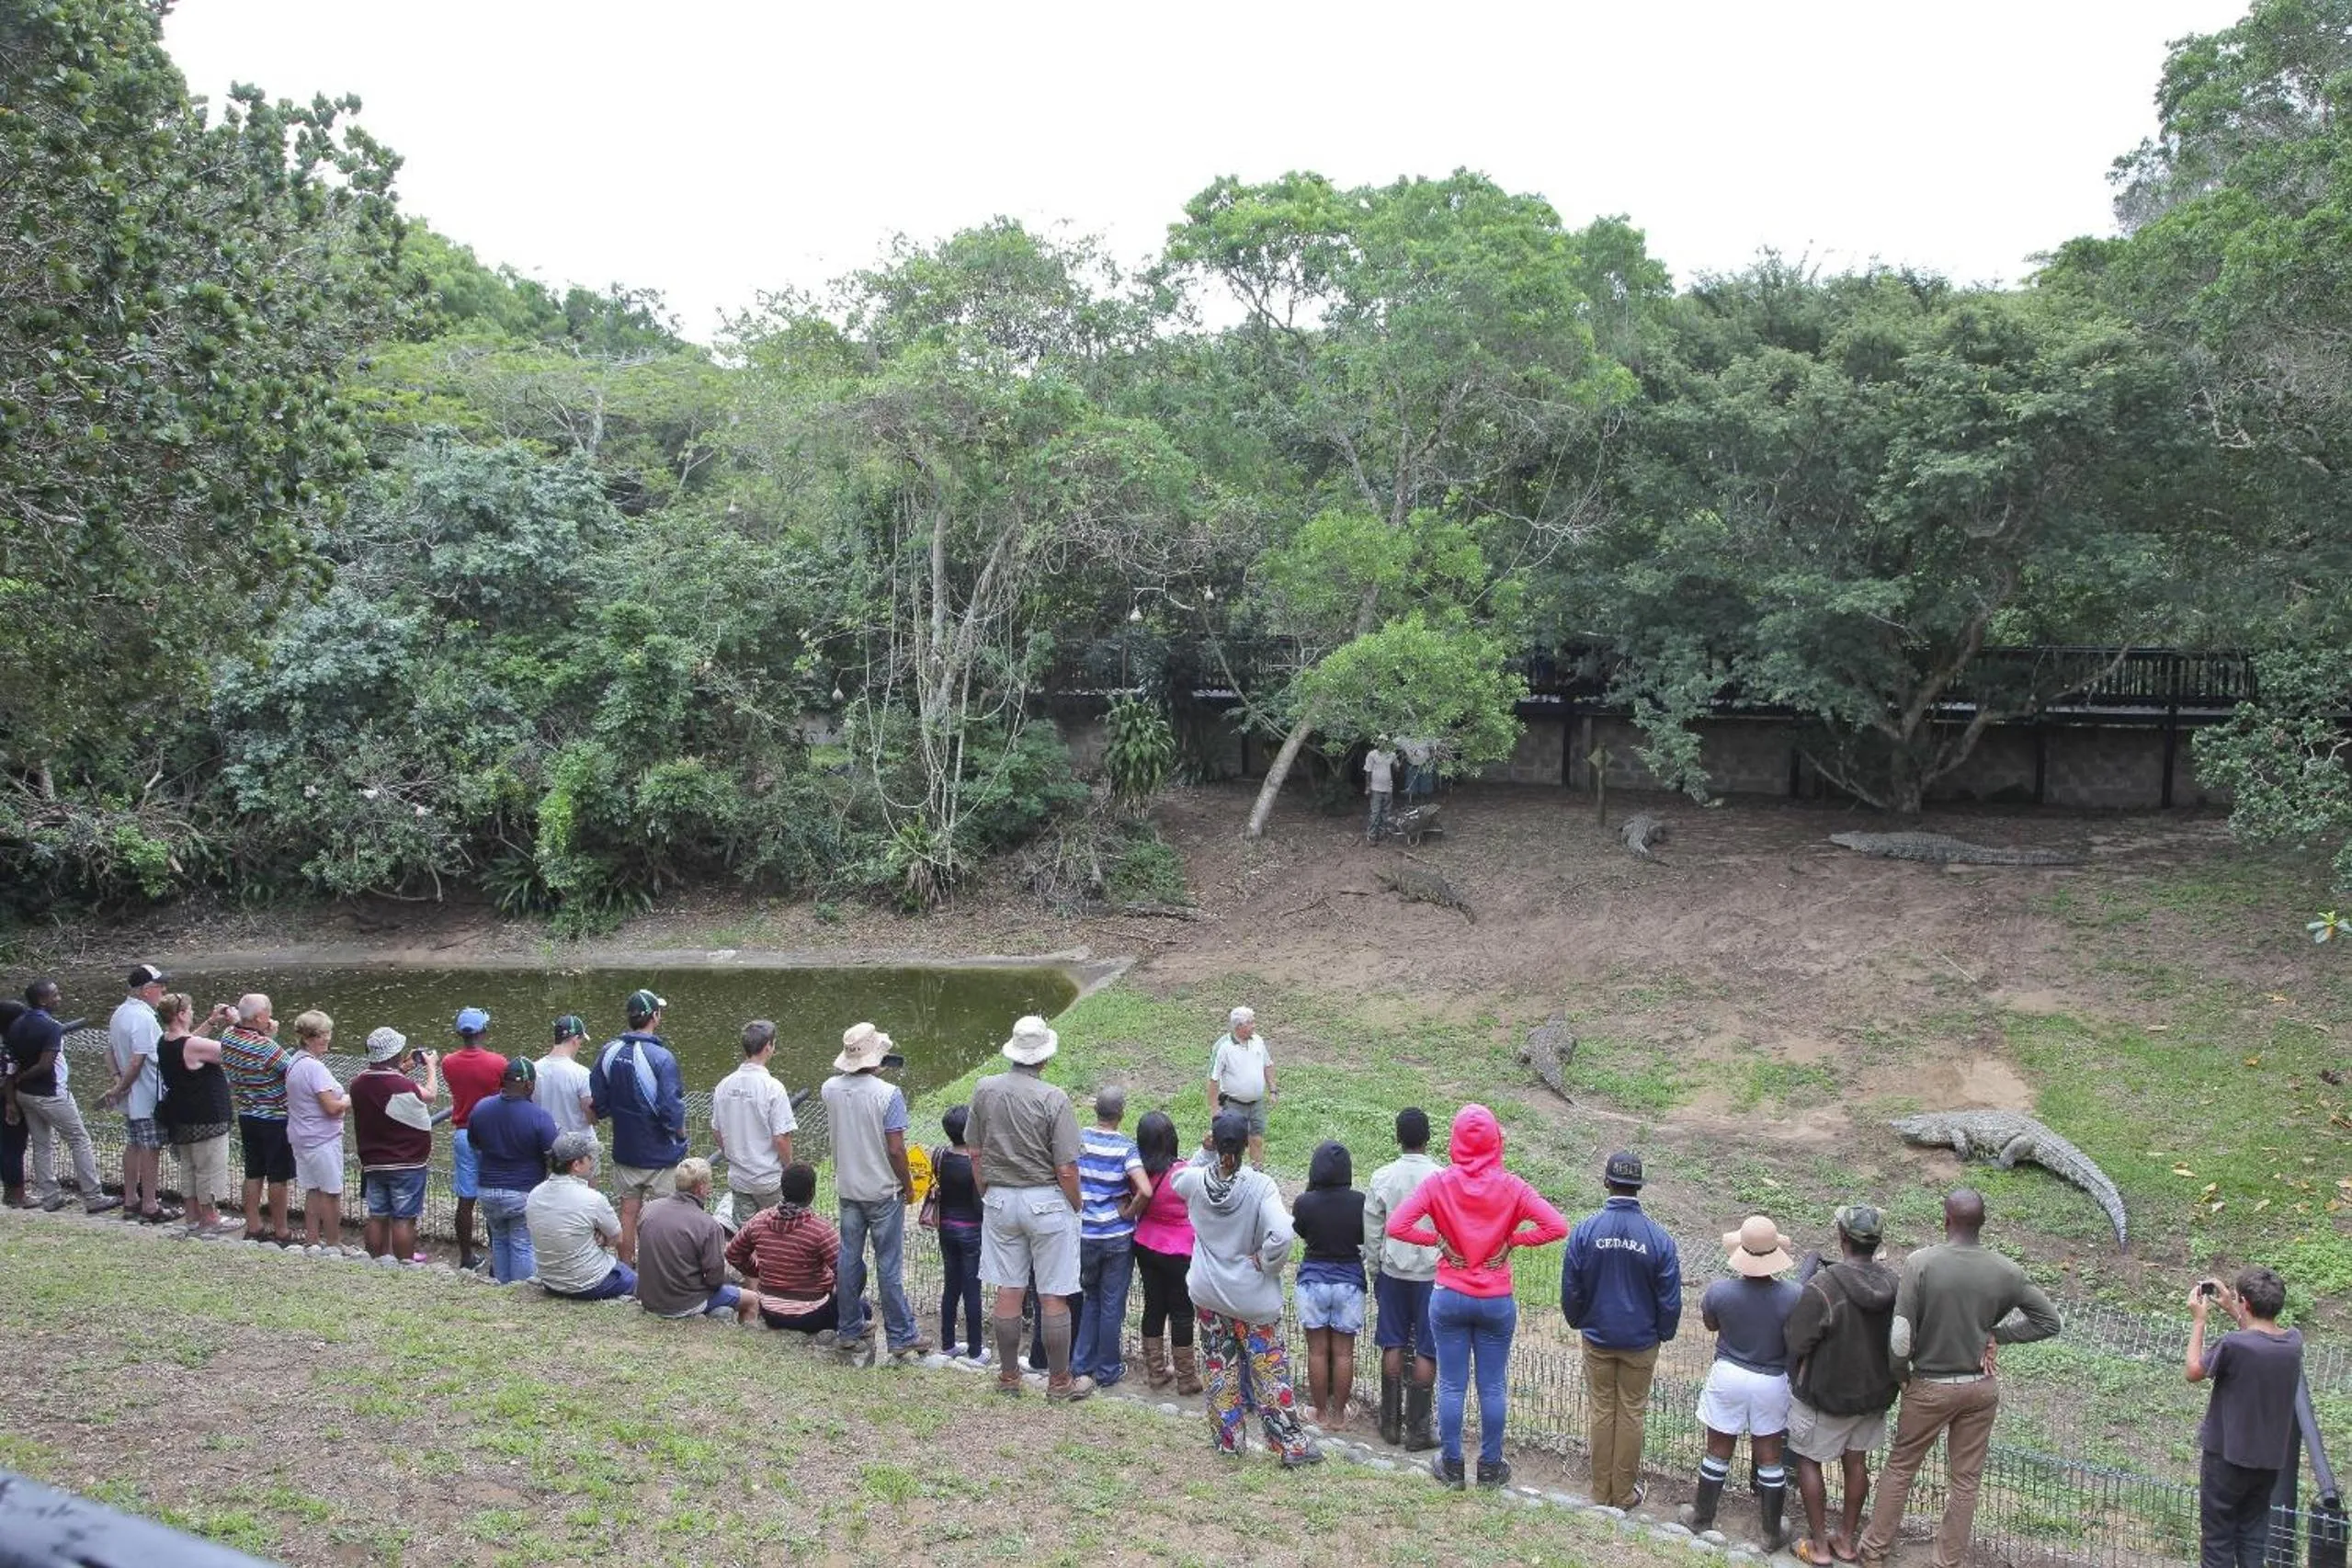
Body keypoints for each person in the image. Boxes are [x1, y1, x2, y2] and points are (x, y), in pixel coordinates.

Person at [1858, 1189, 2062, 1567]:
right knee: (1965, 1481)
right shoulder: (2007, 1271)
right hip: (1980, 1388)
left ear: (1946, 1219)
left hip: (1930, 1386)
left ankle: (1873, 1551)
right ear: (1982, 1223)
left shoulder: (1922, 1263)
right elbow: (2049, 1321)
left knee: (1902, 1466)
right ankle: (1946, 1561)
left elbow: (1901, 1334)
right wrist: (1996, 1334)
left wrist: (1901, 1376)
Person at [1388, 1104, 1568, 1489]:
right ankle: (1490, 1466)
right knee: (1493, 1385)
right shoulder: (1513, 1186)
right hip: (1495, 1297)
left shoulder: (1439, 1183)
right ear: (1496, 1141)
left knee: (1452, 1384)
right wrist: (1512, 1241)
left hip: (1450, 1293)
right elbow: (1557, 1226)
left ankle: (1452, 1465)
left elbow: (1397, 1224)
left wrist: (1435, 1240)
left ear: (1453, 1141)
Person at [1173, 1108, 1318, 1465]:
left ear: (1214, 1139)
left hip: (1208, 1293)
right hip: (1252, 1298)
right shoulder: (1259, 1185)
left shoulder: (1195, 1182)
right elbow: (1282, 1233)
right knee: (1268, 1370)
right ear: (1246, 1144)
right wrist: (1267, 1262)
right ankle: (1289, 1446)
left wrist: (1205, 1152)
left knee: (1220, 1368)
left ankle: (1228, 1441)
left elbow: (1179, 1178)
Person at [968, 1014, 1090, 1402]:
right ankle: (1059, 1382)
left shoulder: (984, 1089)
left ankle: (1008, 1377)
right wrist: (1075, 1204)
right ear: (1044, 1058)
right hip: (1046, 1200)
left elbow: (974, 1150)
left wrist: (986, 1189)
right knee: (1054, 1294)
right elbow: (1066, 1167)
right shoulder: (1054, 1098)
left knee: (1009, 1289)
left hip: (1001, 1199)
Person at [1562, 1149, 1683, 1509]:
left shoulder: (1585, 1232)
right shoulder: (1659, 1239)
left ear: (1606, 1182)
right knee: (1632, 1412)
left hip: (1598, 1337)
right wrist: (1662, 1332)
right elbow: (1670, 1300)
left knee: (1601, 1409)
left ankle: (1600, 1492)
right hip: (1640, 1342)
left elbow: (1572, 1288)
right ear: (1639, 1187)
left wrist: (1579, 1321)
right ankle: (1623, 1494)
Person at [1784, 1205, 1900, 1566]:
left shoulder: (1823, 1286)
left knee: (1807, 1461)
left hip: (1825, 1396)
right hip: (1873, 1396)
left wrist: (1796, 1374)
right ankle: (1847, 1541)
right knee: (1856, 1462)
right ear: (1878, 1242)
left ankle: (1818, 1547)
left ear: (1843, 1238)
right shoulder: (1895, 1284)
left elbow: (1797, 1341)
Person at [1680, 1215, 1803, 1548]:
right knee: (1770, 1457)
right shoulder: (1794, 1295)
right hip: (1771, 1380)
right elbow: (1797, 1339)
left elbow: (1710, 1324)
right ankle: (1771, 1531)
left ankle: (1702, 1517)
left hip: (1729, 1375)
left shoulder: (1720, 1291)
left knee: (1718, 1450)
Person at [820, 1021, 927, 1362]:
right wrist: (908, 1187)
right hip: (883, 1191)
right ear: (876, 1057)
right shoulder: (888, 1095)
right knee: (889, 1266)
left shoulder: (830, 1088)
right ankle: (901, 1335)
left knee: (849, 1259)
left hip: (849, 1188)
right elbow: (896, 1149)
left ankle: (849, 1329)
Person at [2187, 1267, 2302, 1568]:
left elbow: (2194, 1371)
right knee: (2252, 1538)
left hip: (2226, 1459)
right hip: (2267, 1463)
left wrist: (2199, 1321)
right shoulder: (2293, 1343)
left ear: (2246, 1304)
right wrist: (2232, 1308)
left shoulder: (2233, 1344)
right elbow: (2259, 1339)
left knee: (2218, 1541)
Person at [1364, 1107, 1442, 1450]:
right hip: (1431, 1274)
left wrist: (1374, 1269)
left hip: (1393, 1271)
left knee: (1393, 1342)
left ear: (1397, 1137)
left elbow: (1373, 1232)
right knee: (1427, 1346)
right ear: (1428, 1138)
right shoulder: (1442, 1178)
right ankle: (1419, 1430)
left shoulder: (1383, 1177)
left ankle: (1390, 1422)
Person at [590, 989, 687, 1267]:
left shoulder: (609, 1052)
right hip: (661, 1153)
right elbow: (671, 1107)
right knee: (662, 1214)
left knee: (628, 1210)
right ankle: (657, 1268)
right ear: (655, 1016)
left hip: (625, 1149)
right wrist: (679, 1133)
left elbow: (599, 1100)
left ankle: (625, 1266)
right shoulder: (662, 1057)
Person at [8, 980, 119, 1214]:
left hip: (25, 1096)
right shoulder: (51, 1027)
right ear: (42, 1000)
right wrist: (24, 1076)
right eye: (55, 995)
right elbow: (45, 1065)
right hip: (51, 1094)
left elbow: (15, 1062)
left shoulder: (17, 1024)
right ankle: (93, 1196)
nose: (59, 998)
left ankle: (50, 1196)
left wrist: (18, 1081)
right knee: (79, 1140)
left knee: (41, 1145)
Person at [1074, 1085, 1151, 1388]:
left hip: (1086, 1232)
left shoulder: (1079, 1140)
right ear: (1121, 1113)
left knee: (1090, 1297)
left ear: (1096, 1110)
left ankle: (1081, 1364)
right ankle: (1107, 1370)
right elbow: (1145, 1190)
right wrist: (1130, 1212)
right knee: (1111, 1305)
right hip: (1117, 1237)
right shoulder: (1125, 1148)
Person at [348, 1028, 442, 1264]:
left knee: (377, 1215)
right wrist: (431, 1066)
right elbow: (430, 1095)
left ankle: (374, 1260)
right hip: (406, 1162)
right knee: (404, 1218)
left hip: (372, 1161)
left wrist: (402, 1069)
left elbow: (382, 1085)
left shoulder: (357, 1083)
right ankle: (405, 1264)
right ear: (393, 1054)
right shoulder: (402, 1085)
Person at [1293, 1140, 1368, 1429]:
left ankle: (1320, 1413)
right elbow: (1363, 1236)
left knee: (1317, 1351)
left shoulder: (1304, 1202)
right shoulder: (1360, 1202)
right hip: (1349, 1281)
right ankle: (1338, 1416)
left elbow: (1300, 1231)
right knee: (1344, 1352)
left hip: (1313, 1281)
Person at [467, 1057, 558, 1283]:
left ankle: (502, 1288)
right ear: (529, 1085)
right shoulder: (539, 1116)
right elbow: (554, 1157)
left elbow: (474, 1144)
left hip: (487, 1189)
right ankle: (519, 1292)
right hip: (522, 1192)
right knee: (522, 1243)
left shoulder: (481, 1108)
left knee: (498, 1240)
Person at [636, 1157, 758, 1323]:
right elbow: (715, 1280)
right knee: (752, 1299)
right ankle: (747, 1337)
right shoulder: (709, 1225)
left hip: (649, 1299)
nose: (710, 1188)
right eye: (709, 1183)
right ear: (700, 1188)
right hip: (684, 1302)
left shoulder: (649, 1209)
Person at [1131, 1109, 1201, 1395]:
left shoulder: (1138, 1172)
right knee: (1182, 1312)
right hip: (1181, 1250)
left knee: (1153, 1306)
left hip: (1146, 1244)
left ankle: (1156, 1372)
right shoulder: (1182, 1172)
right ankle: (1186, 1378)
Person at [728, 1162, 842, 1333]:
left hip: (770, 1311)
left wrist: (757, 1271)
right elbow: (846, 1270)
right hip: (811, 1315)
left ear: (782, 1189)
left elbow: (733, 1253)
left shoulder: (759, 1221)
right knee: (863, 1309)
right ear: (812, 1192)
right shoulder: (821, 1230)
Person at [155, 994, 234, 1236]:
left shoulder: (166, 1040)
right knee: (209, 1167)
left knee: (189, 1166)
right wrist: (236, 1024)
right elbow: (236, 1052)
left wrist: (211, 1022)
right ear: (180, 1015)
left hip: (183, 1117)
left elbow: (191, 1041)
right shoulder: (192, 1045)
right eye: (190, 1010)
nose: (192, 1013)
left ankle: (192, 1215)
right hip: (207, 1117)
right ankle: (210, 1217)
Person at [218, 993, 293, 1242]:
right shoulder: (265, 1046)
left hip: (247, 1114)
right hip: (274, 1117)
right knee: (278, 1176)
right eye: (268, 1014)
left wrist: (265, 1034)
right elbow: (291, 1068)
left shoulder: (228, 1036)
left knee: (253, 1172)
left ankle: (253, 1225)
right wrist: (271, 1038)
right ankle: (281, 1230)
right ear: (260, 1017)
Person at [100, 964, 170, 1222]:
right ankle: (150, 1205)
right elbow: (138, 1059)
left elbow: (108, 1052)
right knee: (150, 1148)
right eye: (160, 987)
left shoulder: (120, 1013)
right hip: (146, 1096)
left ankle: (131, 1199)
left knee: (133, 1144)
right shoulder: (143, 1017)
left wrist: (118, 1083)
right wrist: (122, 1085)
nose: (164, 991)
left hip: (131, 1098)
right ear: (147, 990)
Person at [530, 1130, 634, 1301]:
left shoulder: (535, 1194)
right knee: (633, 1279)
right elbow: (617, 1237)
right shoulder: (592, 1199)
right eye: (589, 1158)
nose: (592, 1162)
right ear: (576, 1165)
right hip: (588, 1283)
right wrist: (602, 1238)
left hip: (550, 1281)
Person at [440, 1006, 506, 1274]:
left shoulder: (448, 1062)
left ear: (460, 1033)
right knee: (494, 1197)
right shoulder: (498, 1062)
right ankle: (498, 1256)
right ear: (484, 1031)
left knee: (466, 1199)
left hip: (463, 1132)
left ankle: (466, 1256)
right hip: (491, 1133)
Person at [710, 1019, 796, 1216]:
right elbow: (781, 1138)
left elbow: (717, 1130)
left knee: (746, 1236)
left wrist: (733, 1154)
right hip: (769, 1180)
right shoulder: (773, 1087)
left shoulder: (724, 1085)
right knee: (775, 1232)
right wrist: (789, 1167)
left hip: (739, 1178)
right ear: (768, 1047)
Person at [283, 1011, 349, 1251]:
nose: (327, 1039)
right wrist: (350, 1101)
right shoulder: (314, 1068)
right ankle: (333, 1242)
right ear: (311, 1038)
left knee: (313, 1189)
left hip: (301, 1136)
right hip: (321, 1139)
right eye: (323, 1035)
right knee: (331, 1192)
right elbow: (331, 1107)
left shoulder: (294, 1062)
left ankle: (312, 1239)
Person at [934, 1104, 986, 1363]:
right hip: (972, 1231)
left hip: (946, 1227)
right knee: (972, 1289)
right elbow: (980, 1201)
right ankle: (976, 1350)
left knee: (951, 1286)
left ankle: (947, 1344)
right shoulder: (975, 1163)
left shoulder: (940, 1157)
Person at [1204, 1006, 1276, 1171]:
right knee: (1232, 1141)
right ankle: (1230, 1172)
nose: (1254, 1025)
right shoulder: (1224, 1047)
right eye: (1250, 1022)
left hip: (1256, 1102)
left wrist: (1273, 1089)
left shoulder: (1258, 1041)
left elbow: (1268, 1065)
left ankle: (1257, 1172)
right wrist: (1215, 1110)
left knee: (1256, 1137)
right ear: (1239, 1026)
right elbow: (1213, 1080)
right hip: (1233, 1104)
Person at [534, 1015, 596, 1135]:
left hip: (544, 1143)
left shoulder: (534, 1069)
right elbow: (591, 1116)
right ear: (575, 1039)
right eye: (581, 1041)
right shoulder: (581, 1073)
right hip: (578, 1147)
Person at [0, 998, 25, 1210]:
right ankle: (15, 1193)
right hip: (6, 1099)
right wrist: (10, 1102)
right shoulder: (8, 1047)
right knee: (13, 1146)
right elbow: (9, 1076)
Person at [1363, 737, 1397, 843]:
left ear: (1387, 743)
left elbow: (1397, 769)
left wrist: (1396, 763)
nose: (1382, 743)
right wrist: (1368, 787)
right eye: (1380, 741)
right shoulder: (1372, 755)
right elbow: (1368, 771)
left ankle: (1382, 834)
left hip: (1388, 788)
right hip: (1376, 789)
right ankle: (1372, 835)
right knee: (1375, 813)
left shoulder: (1391, 754)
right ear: (1377, 742)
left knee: (1386, 813)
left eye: (1385, 741)